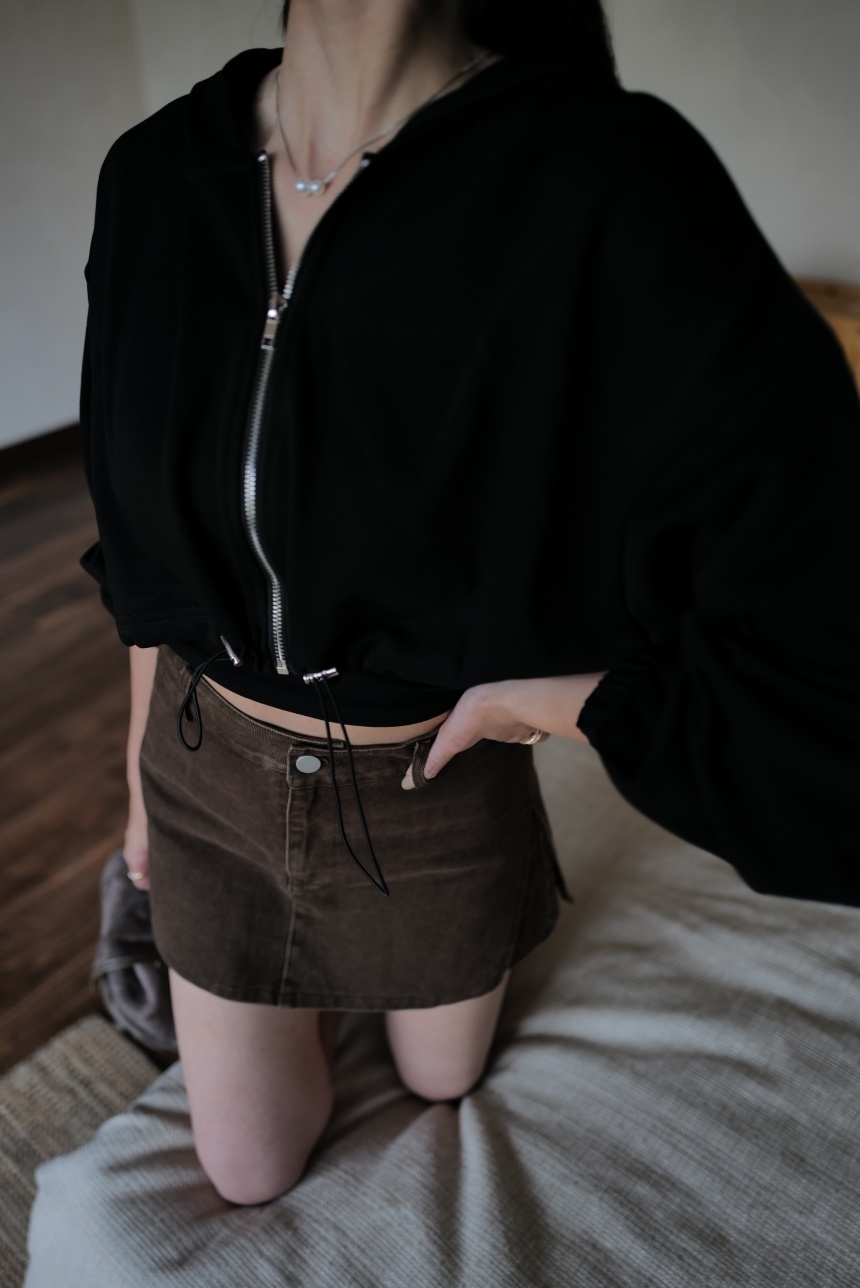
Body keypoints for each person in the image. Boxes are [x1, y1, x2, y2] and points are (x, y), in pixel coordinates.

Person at [80, 0, 860, 1207]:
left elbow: (814, 581)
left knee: (440, 1077)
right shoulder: (152, 172)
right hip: (206, 780)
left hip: (434, 788)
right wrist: (140, 789)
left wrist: (566, 701)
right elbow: (141, 558)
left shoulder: (607, 175)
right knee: (245, 1167)